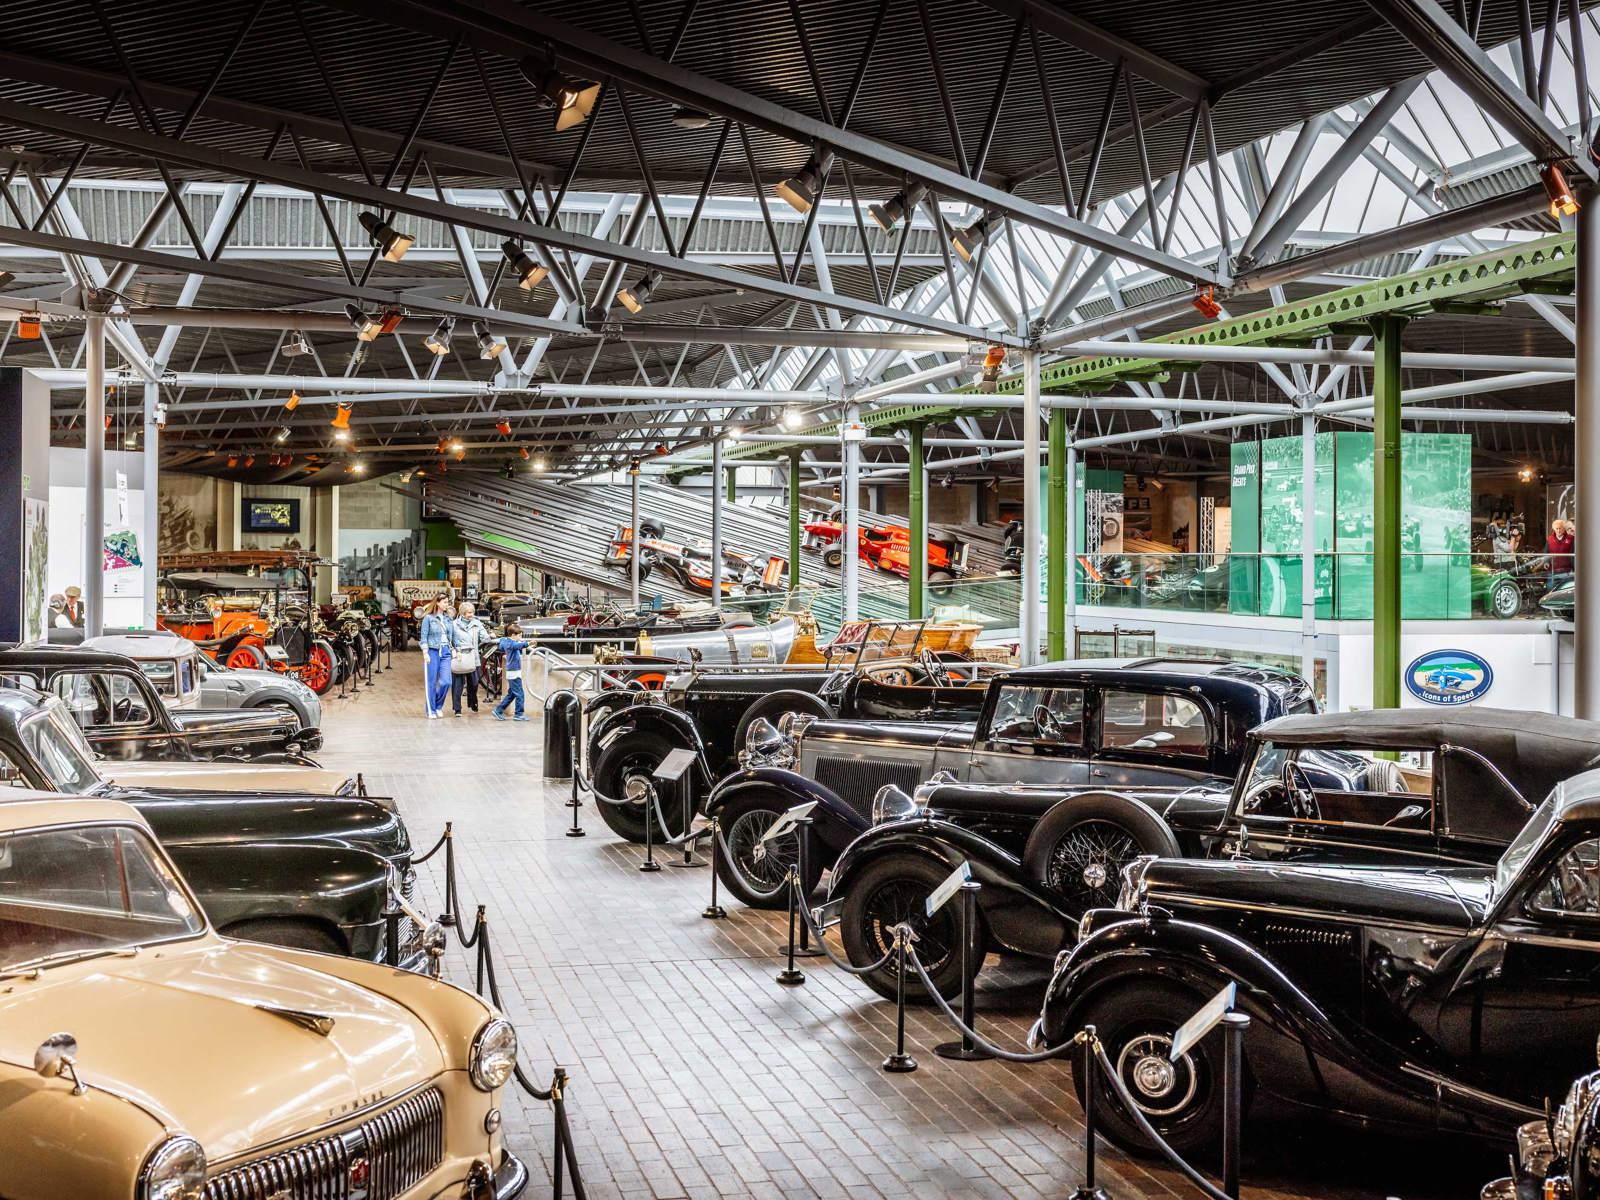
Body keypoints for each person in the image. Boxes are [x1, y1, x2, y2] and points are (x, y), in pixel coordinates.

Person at [449, 601, 490, 716]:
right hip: (459, 657)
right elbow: (450, 639)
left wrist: (488, 636)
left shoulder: (477, 624)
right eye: (468, 613)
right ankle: (457, 709)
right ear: (462, 613)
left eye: (472, 612)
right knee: (457, 685)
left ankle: (473, 703)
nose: (471, 614)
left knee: (475, 683)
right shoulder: (454, 624)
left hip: (474, 657)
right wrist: (455, 651)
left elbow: (485, 638)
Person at [419, 597, 454, 719]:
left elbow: (452, 636)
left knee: (446, 682)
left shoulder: (448, 618)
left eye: (447, 602)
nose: (447, 605)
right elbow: (423, 637)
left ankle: (438, 705)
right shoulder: (428, 618)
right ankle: (431, 709)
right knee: (431, 682)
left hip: (446, 651)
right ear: (437, 603)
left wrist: (457, 649)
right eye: (444, 602)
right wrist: (425, 652)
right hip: (432, 651)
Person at [492, 622, 533, 722]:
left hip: (513, 671)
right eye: (519, 635)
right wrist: (528, 643)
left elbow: (511, 643)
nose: (521, 637)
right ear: (513, 635)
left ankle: (498, 710)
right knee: (519, 694)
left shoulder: (506, 641)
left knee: (512, 694)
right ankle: (518, 714)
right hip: (514, 672)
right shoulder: (511, 643)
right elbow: (516, 646)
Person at [1548, 518, 1576, 589]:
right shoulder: (1549, 539)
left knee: (1566, 590)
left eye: (1560, 528)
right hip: (1553, 571)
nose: (1558, 530)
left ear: (1564, 529)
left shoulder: (1571, 539)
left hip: (1567, 572)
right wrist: (1546, 563)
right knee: (1550, 589)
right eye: (1556, 528)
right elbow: (1546, 553)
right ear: (1554, 529)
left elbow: (1573, 555)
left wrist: (1574, 569)